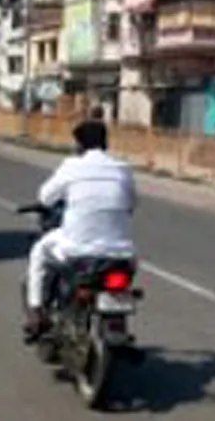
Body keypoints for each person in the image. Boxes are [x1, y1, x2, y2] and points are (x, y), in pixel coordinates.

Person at [23, 119, 137, 340]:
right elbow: (131, 204)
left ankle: (36, 313)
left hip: (77, 249)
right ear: (105, 143)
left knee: (38, 252)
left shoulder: (72, 166)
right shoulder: (123, 169)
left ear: (79, 145)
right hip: (120, 252)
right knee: (130, 264)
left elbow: (45, 197)